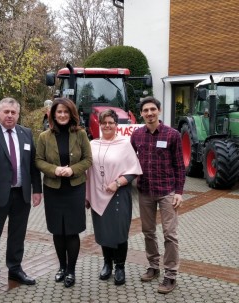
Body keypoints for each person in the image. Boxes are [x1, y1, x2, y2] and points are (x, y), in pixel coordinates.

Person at [0, 97, 43, 292]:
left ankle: (15, 269)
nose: (10, 115)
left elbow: (32, 165)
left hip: (21, 194)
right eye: (6, 112)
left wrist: (37, 189)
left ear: (18, 114)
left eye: (13, 112)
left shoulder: (26, 133)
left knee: (17, 234)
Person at [130, 96, 186, 294]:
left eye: (152, 109)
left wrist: (179, 192)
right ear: (141, 113)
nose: (149, 113)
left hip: (167, 192)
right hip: (145, 191)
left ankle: (170, 275)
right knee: (148, 232)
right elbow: (129, 161)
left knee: (170, 234)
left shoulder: (172, 135)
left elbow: (179, 166)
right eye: (145, 110)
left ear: (159, 111)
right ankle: (153, 266)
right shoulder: (136, 136)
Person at [35, 97, 92, 288]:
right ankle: (61, 266)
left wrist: (73, 169)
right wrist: (54, 170)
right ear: (53, 114)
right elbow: (38, 160)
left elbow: (88, 159)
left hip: (75, 189)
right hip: (53, 189)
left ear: (71, 114)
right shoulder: (44, 136)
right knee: (57, 231)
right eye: (59, 112)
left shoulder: (81, 135)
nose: (62, 115)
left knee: (72, 231)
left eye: (66, 112)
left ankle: (71, 270)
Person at [85, 109, 142, 286]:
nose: (107, 126)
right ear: (99, 125)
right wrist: (87, 196)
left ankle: (120, 267)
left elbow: (133, 171)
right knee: (103, 232)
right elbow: (87, 171)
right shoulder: (92, 144)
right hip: (98, 195)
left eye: (111, 122)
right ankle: (107, 264)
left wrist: (117, 183)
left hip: (118, 194)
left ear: (116, 125)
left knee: (119, 233)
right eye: (104, 123)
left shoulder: (124, 144)